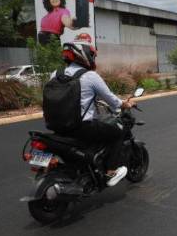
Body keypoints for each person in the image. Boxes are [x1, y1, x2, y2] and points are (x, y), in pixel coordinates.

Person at [52, 39, 135, 186]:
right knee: (118, 131)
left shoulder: (55, 74)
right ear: (82, 55)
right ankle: (110, 171)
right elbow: (111, 99)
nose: (93, 58)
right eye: (92, 55)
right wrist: (125, 104)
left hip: (58, 126)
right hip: (82, 127)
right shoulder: (90, 76)